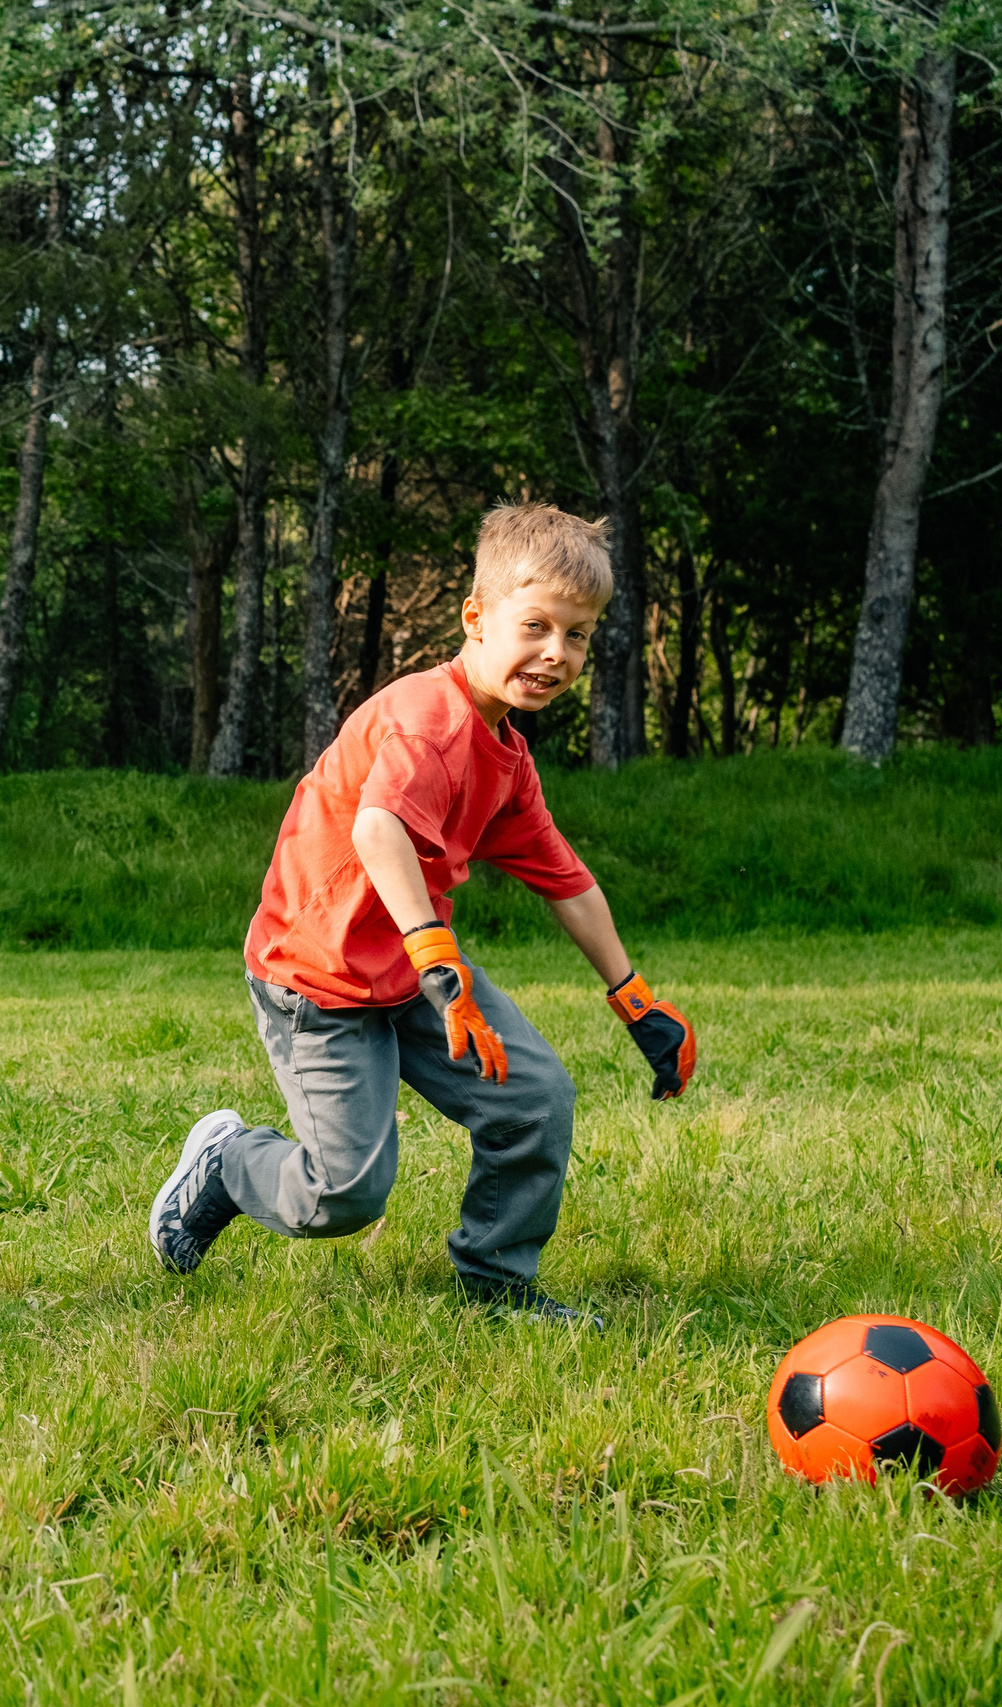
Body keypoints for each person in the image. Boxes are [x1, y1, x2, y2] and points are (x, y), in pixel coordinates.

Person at [146, 503, 697, 1324]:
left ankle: (498, 1282)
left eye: (577, 635)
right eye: (536, 625)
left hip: (415, 971)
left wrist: (634, 995)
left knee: (535, 1099)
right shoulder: (427, 722)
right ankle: (227, 1163)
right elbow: (379, 827)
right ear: (477, 617)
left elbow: (566, 880)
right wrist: (438, 956)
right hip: (319, 976)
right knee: (346, 1193)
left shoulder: (504, 752)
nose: (556, 652)